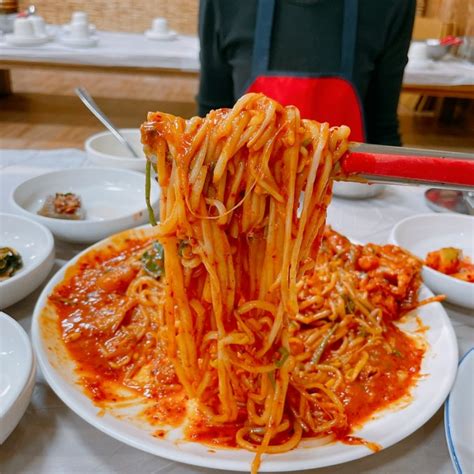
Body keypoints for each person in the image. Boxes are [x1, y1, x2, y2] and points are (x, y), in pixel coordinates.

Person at [197, 0, 416, 146]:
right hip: (246, 201)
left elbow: (382, 128)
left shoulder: (390, 5)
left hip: (351, 197)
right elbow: (211, 120)